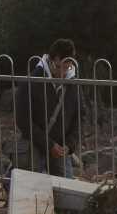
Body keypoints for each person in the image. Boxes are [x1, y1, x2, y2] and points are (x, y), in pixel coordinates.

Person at [13, 38, 82, 178]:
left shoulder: (73, 83)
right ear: (51, 60)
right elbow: (22, 119)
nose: (63, 72)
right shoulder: (32, 81)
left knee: (66, 187)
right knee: (31, 186)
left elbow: (80, 116)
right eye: (59, 67)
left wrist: (70, 145)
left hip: (62, 147)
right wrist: (49, 145)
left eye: (67, 67)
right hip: (35, 144)